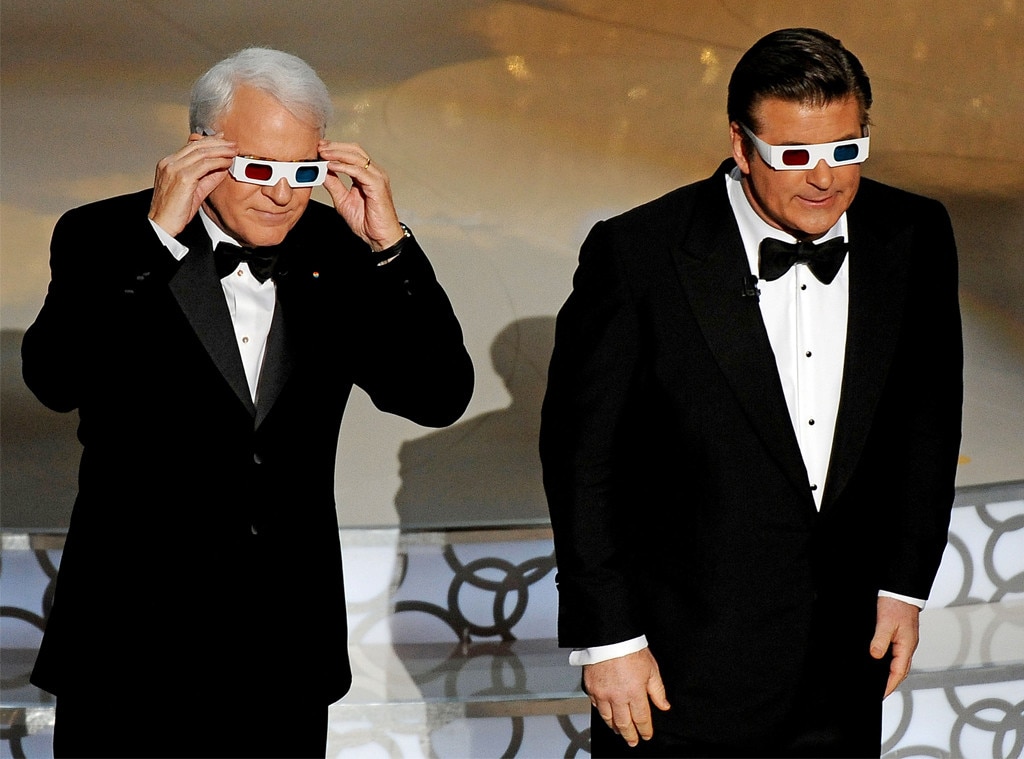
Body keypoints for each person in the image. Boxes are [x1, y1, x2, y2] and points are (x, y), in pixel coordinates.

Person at [22, 47, 474, 758]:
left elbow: (438, 394)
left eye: (304, 172)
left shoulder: (342, 249)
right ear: (201, 151)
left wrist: (392, 247)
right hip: (129, 647)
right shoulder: (105, 237)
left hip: (283, 654)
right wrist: (157, 241)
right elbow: (55, 376)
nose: (282, 194)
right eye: (259, 168)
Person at [540, 28, 962, 758]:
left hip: (841, 663)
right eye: (795, 155)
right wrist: (607, 638)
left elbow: (927, 423)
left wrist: (903, 584)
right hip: (676, 672)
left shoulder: (913, 234)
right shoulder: (638, 254)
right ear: (742, 145)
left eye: (845, 149)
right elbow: (582, 460)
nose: (825, 178)